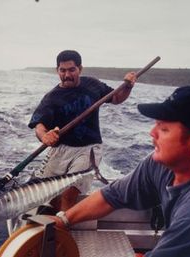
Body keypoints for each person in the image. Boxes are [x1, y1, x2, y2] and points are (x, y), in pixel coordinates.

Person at [51, 86, 190, 257]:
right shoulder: (163, 164)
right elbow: (112, 196)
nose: (151, 132)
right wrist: (63, 221)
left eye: (163, 129)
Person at [28, 50, 137, 211]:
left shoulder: (93, 84)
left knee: (69, 193)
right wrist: (45, 137)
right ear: (57, 70)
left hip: (89, 148)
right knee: (48, 194)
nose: (67, 75)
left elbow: (116, 98)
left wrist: (128, 86)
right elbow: (39, 125)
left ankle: (62, 230)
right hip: (61, 149)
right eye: (62, 70)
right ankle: (54, 221)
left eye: (71, 70)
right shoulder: (51, 98)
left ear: (80, 68)